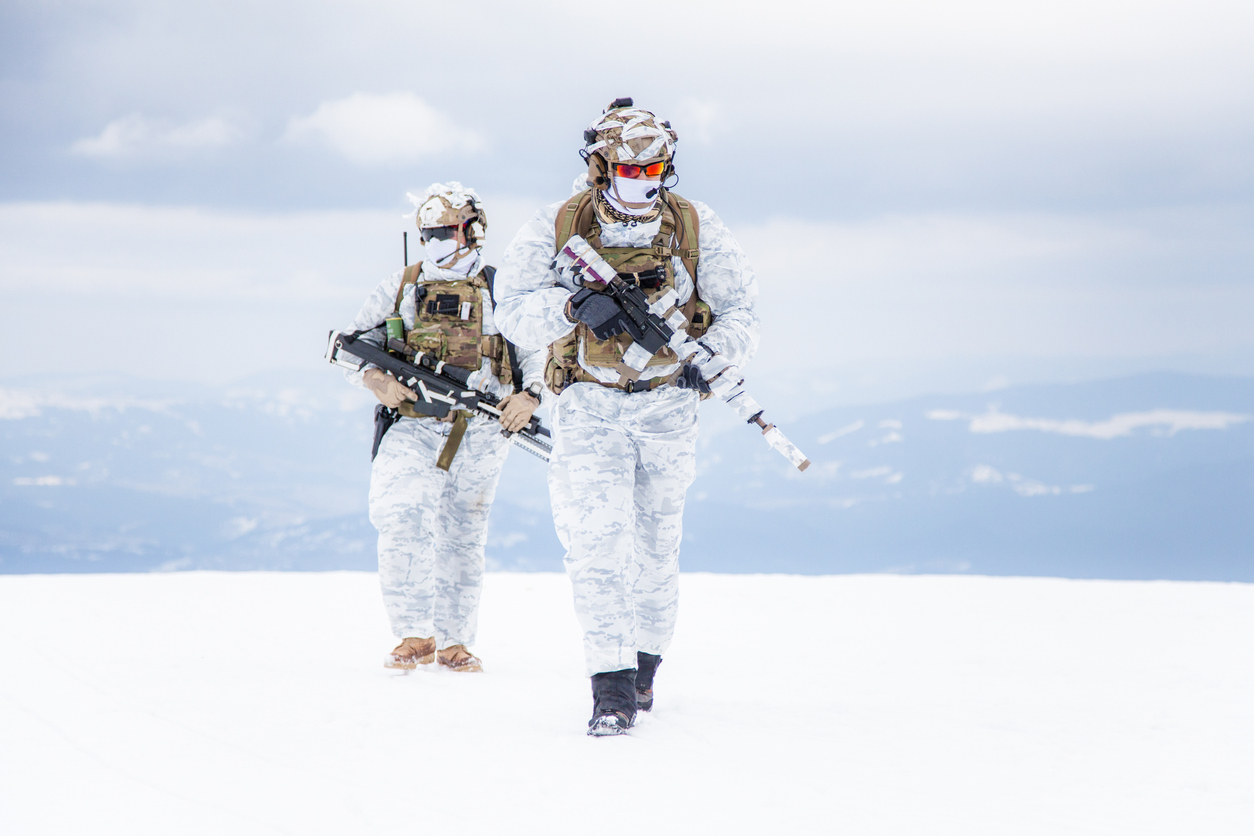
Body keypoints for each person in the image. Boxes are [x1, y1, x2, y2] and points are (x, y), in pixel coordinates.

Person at [493, 99, 760, 734]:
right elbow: (512, 310)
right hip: (588, 402)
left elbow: (742, 312)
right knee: (596, 546)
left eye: (654, 170)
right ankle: (609, 688)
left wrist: (710, 358)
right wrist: (570, 309)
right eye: (628, 170)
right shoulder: (559, 223)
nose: (641, 182)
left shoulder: (695, 225)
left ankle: (644, 668)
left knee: (655, 548)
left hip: (668, 405)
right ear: (601, 167)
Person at [340, 182, 545, 673]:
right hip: (413, 423)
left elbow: (538, 351)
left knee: (463, 532)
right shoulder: (401, 286)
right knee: (399, 515)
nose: (435, 242)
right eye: (428, 233)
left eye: (445, 232)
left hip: (482, 429)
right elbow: (351, 345)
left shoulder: (503, 290)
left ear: (472, 231)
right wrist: (376, 381)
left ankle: (455, 642)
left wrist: (529, 396)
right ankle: (414, 634)